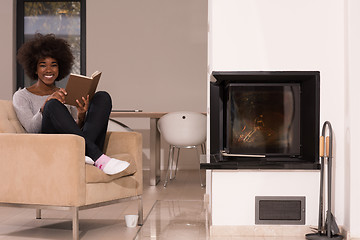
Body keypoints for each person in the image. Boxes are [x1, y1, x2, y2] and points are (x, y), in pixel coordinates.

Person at [13, 33, 129, 175]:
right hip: (53, 148)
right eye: (43, 65)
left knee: (102, 97)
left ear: (60, 68)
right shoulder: (21, 96)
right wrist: (46, 104)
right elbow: (32, 130)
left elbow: (76, 130)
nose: (49, 70)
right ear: (35, 69)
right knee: (52, 105)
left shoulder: (64, 93)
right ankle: (99, 158)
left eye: (53, 65)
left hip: (76, 146)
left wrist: (81, 115)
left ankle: (87, 154)